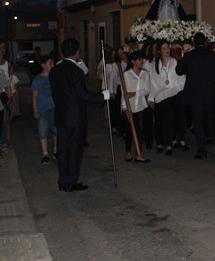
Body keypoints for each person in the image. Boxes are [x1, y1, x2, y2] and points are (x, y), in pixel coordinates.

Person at [49, 38, 109, 192]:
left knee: (62, 150)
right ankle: (70, 181)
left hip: (61, 114)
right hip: (74, 117)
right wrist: (102, 96)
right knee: (74, 150)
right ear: (77, 53)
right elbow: (82, 94)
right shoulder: (76, 71)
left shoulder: (55, 70)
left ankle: (63, 179)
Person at [176, 32, 215, 159]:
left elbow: (179, 71)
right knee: (213, 123)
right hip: (209, 94)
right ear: (205, 42)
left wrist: (180, 60)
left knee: (198, 123)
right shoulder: (212, 55)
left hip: (195, 95)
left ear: (194, 42)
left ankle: (201, 151)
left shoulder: (189, 56)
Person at [148, 41, 188, 155]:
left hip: (177, 92)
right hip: (163, 94)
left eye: (168, 48)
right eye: (164, 48)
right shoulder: (155, 64)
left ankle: (181, 140)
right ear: (160, 51)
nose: (167, 50)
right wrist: (151, 97)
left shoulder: (175, 61)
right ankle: (168, 145)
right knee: (167, 120)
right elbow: (153, 82)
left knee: (179, 118)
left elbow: (182, 73)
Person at [120, 50, 151, 163]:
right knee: (129, 130)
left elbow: (147, 89)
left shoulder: (146, 74)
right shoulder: (127, 74)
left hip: (141, 105)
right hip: (129, 106)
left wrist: (134, 93)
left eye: (142, 59)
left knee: (140, 129)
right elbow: (124, 94)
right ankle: (128, 151)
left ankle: (138, 153)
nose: (141, 61)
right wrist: (125, 108)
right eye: (139, 59)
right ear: (133, 61)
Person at [31, 56, 56, 164]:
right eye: (50, 63)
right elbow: (34, 96)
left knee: (56, 129)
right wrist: (35, 110)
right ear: (43, 65)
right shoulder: (38, 79)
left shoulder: (55, 77)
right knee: (43, 130)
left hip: (54, 107)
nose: (52, 65)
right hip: (42, 108)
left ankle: (56, 150)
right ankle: (45, 153)